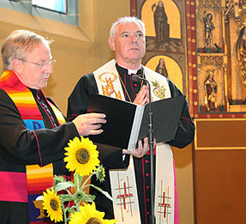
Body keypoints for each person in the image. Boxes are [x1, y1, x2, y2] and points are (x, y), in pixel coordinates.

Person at [67, 17, 195, 224]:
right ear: (112, 43)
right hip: (110, 189)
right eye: (125, 35)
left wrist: (158, 113)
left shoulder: (164, 85)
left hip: (156, 189)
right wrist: (131, 114)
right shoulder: (91, 83)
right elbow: (76, 141)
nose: (134, 40)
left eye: (139, 35)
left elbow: (187, 134)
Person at [0, 30, 110, 224]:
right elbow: (21, 146)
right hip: (14, 211)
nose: (49, 70)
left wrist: (124, 149)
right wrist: (73, 129)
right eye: (42, 63)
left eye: (50, 62)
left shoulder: (48, 105)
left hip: (52, 208)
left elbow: (71, 151)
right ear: (17, 65)